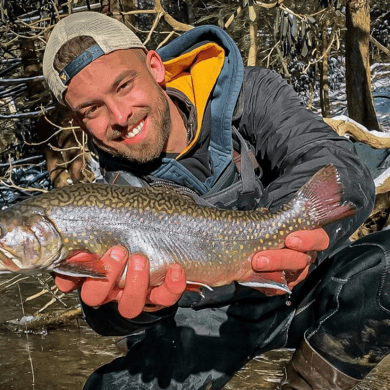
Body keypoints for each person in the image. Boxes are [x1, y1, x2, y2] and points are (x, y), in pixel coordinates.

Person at [42, 11, 390, 390]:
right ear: (78, 122)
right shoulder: (101, 200)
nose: (120, 116)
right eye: (92, 109)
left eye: (124, 85)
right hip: (200, 323)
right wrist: (132, 311)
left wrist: (298, 234)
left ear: (155, 66)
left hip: (301, 287)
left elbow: (331, 161)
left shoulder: (248, 93)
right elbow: (105, 315)